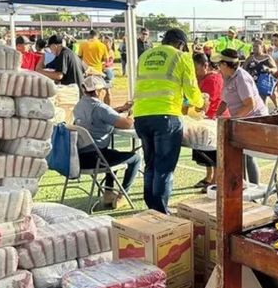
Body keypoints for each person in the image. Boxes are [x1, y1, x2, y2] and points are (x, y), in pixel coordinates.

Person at [133, 28, 206, 213]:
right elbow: (191, 89)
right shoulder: (181, 57)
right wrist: (201, 103)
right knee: (164, 168)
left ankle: (151, 208)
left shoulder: (145, 56)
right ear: (181, 44)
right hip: (166, 117)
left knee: (150, 164)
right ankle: (160, 212)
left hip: (141, 115)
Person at [72, 76, 141, 211]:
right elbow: (126, 124)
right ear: (98, 92)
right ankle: (122, 196)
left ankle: (108, 193)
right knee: (136, 158)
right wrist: (132, 114)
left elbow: (103, 114)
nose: (106, 92)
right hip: (97, 159)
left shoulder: (79, 105)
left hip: (79, 158)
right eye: (104, 90)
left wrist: (120, 109)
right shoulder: (100, 108)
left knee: (113, 153)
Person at [212, 49, 267, 183]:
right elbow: (225, 100)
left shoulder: (241, 77)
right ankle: (242, 186)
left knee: (248, 156)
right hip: (241, 120)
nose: (217, 67)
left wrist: (232, 119)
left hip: (254, 119)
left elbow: (250, 104)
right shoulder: (227, 77)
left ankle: (254, 187)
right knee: (239, 154)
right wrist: (216, 115)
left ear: (225, 65)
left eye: (219, 64)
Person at [187, 53, 224, 189]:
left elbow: (210, 102)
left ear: (205, 66)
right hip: (201, 119)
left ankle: (215, 179)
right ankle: (209, 176)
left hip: (213, 119)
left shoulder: (213, 79)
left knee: (212, 150)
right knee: (203, 149)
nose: (195, 72)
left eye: (196, 69)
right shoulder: (199, 79)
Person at [243, 39, 277, 105]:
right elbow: (244, 70)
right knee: (252, 104)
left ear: (262, 47)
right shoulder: (250, 58)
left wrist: (269, 69)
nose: (254, 48)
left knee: (263, 103)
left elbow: (275, 69)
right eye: (253, 46)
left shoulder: (267, 57)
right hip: (251, 84)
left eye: (256, 46)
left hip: (263, 84)